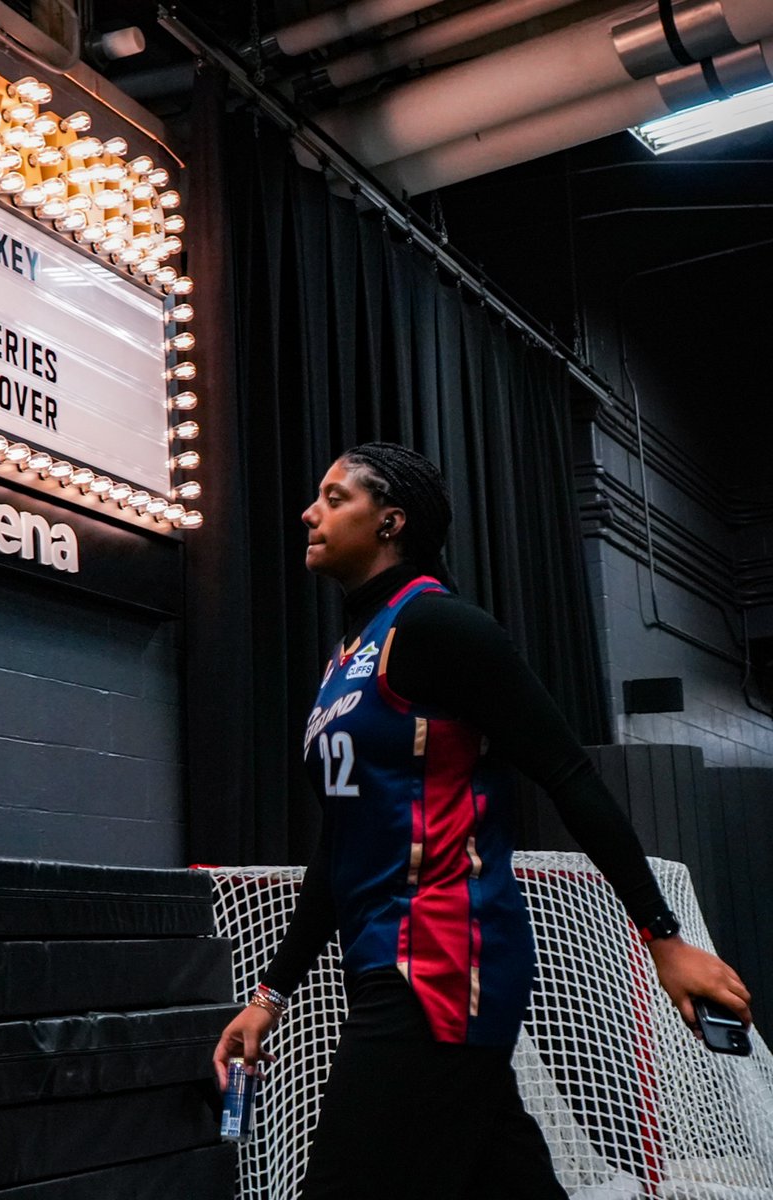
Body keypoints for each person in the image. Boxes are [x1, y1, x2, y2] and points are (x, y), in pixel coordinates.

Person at [212, 442, 752, 1199]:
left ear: (391, 521)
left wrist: (663, 937)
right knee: (506, 1179)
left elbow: (570, 775)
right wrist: (270, 995)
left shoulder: (439, 627)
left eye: (335, 497)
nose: (310, 511)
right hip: (381, 965)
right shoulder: (346, 659)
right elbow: (339, 848)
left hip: (441, 959)